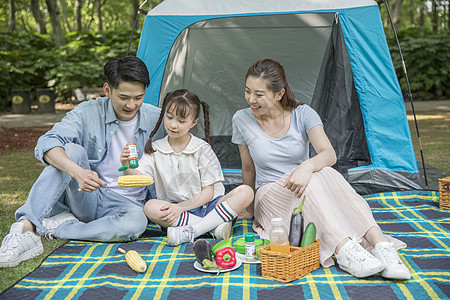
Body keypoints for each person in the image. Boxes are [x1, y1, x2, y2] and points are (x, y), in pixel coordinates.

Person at [231, 58, 411, 280]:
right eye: (248, 91)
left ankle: (381, 245)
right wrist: (249, 207)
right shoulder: (241, 119)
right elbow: (247, 167)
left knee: (323, 171)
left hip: (305, 185)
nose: (251, 99)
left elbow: (328, 154)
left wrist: (306, 166)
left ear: (279, 94)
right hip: (270, 194)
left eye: (259, 94)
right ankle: (344, 250)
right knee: (318, 176)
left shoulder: (303, 113)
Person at [0, 56, 164, 268]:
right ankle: (26, 228)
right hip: (88, 196)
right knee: (71, 151)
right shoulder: (88, 112)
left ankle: (58, 227)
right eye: (124, 97)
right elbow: (46, 143)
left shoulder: (157, 118)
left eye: (138, 97)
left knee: (136, 224)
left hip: (128, 206)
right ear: (107, 90)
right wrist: (78, 172)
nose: (131, 105)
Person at [121, 89, 254, 246]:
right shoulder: (156, 149)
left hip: (210, 205)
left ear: (194, 122)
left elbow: (208, 193)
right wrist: (126, 165)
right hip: (175, 208)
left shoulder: (201, 149)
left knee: (246, 191)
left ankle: (193, 231)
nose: (173, 125)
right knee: (150, 207)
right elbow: (139, 177)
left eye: (181, 121)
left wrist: (181, 208)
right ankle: (213, 228)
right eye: (169, 117)